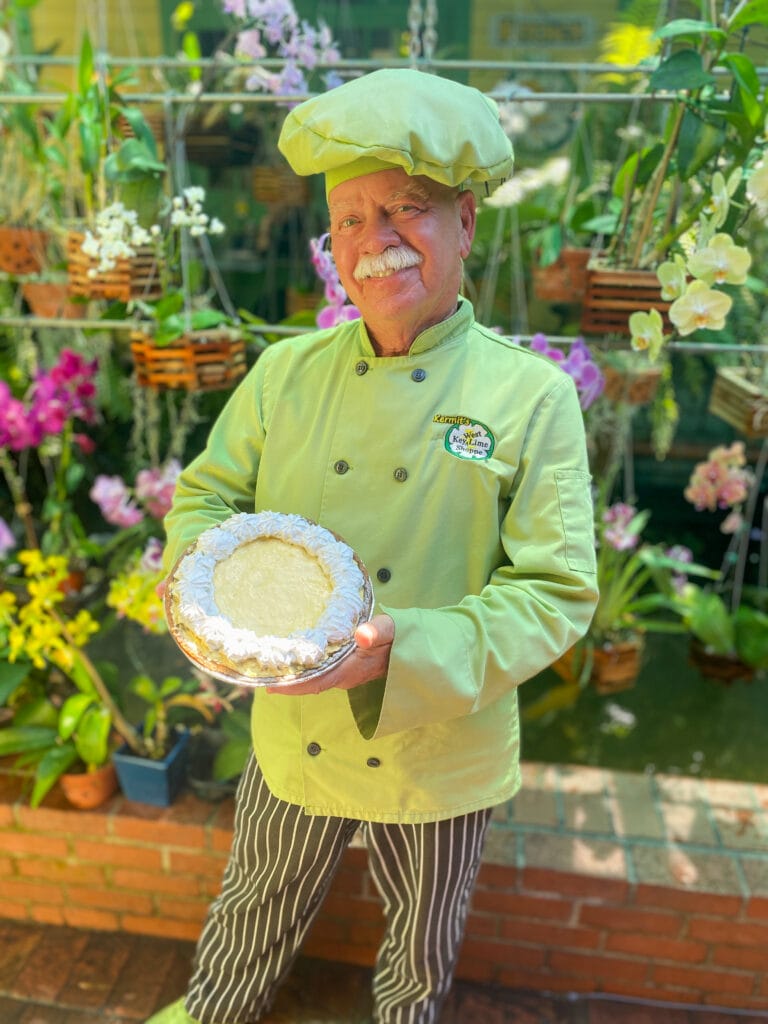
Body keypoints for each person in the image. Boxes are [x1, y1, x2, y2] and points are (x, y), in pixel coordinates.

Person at [147, 68, 598, 1024]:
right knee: (250, 912)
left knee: (418, 956)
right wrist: (200, 587)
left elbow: (556, 591)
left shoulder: (531, 397)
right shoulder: (284, 374)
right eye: (349, 219)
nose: (374, 242)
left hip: (441, 747)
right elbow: (207, 498)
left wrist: (407, 653)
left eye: (407, 209)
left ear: (466, 224)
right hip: (293, 730)